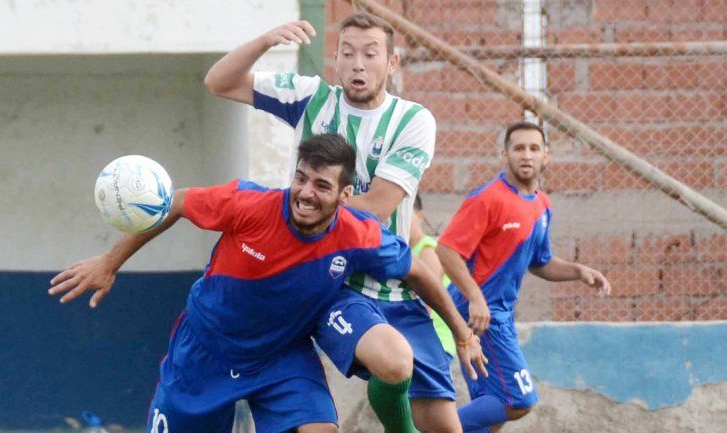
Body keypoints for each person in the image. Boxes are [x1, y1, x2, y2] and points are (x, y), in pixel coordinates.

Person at [49, 134, 483, 433]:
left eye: (322, 185)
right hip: (206, 352)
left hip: (281, 356)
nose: (306, 192)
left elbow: (419, 271)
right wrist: (110, 261)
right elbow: (176, 201)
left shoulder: (359, 233)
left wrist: (462, 334)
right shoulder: (249, 204)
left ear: (344, 196)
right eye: (301, 178)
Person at [204, 12, 475, 433]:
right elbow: (219, 82)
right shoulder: (311, 98)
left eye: (370, 54)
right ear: (336, 60)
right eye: (347, 53)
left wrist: (462, 332)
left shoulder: (413, 121)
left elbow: (376, 207)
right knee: (388, 364)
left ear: (392, 63)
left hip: (394, 284)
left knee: (444, 425)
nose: (357, 64)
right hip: (332, 285)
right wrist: (264, 41)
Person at [436, 122, 612, 433]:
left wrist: (578, 271)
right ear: (505, 154)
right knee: (519, 399)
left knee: (492, 409)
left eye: (534, 148)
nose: (526, 155)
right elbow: (447, 250)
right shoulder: (488, 198)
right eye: (518, 148)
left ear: (547, 156)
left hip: (498, 314)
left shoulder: (542, 205)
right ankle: (434, 428)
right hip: (480, 314)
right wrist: (475, 297)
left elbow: (540, 262)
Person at [408, 193, 455, 357]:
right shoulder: (404, 252)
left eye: (407, 214)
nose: (401, 221)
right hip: (417, 340)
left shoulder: (427, 250)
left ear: (420, 216)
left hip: (433, 341)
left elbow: (427, 301)